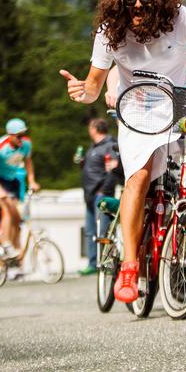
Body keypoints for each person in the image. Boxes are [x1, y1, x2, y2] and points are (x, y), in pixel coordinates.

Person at [60, 0, 186, 304]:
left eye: (145, 0)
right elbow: (92, 86)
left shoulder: (180, 18)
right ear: (119, 2)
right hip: (139, 104)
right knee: (140, 177)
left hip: (179, 98)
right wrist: (81, 92)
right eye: (129, 1)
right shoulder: (108, 31)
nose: (138, 7)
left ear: (158, 0)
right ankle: (130, 265)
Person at [0, 118, 40, 258]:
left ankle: (10, 245)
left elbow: (28, 162)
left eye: (23, 134)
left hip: (12, 179)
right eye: (18, 136)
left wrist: (32, 180)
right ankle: (5, 242)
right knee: (7, 209)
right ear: (10, 135)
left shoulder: (26, 144)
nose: (22, 138)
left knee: (17, 217)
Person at [75, 118, 120, 276]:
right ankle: (93, 263)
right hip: (89, 194)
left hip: (100, 194)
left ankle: (107, 262)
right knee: (90, 231)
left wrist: (104, 190)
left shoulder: (109, 145)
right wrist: (82, 163)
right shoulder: (93, 147)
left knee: (103, 231)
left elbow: (112, 170)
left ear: (95, 129)